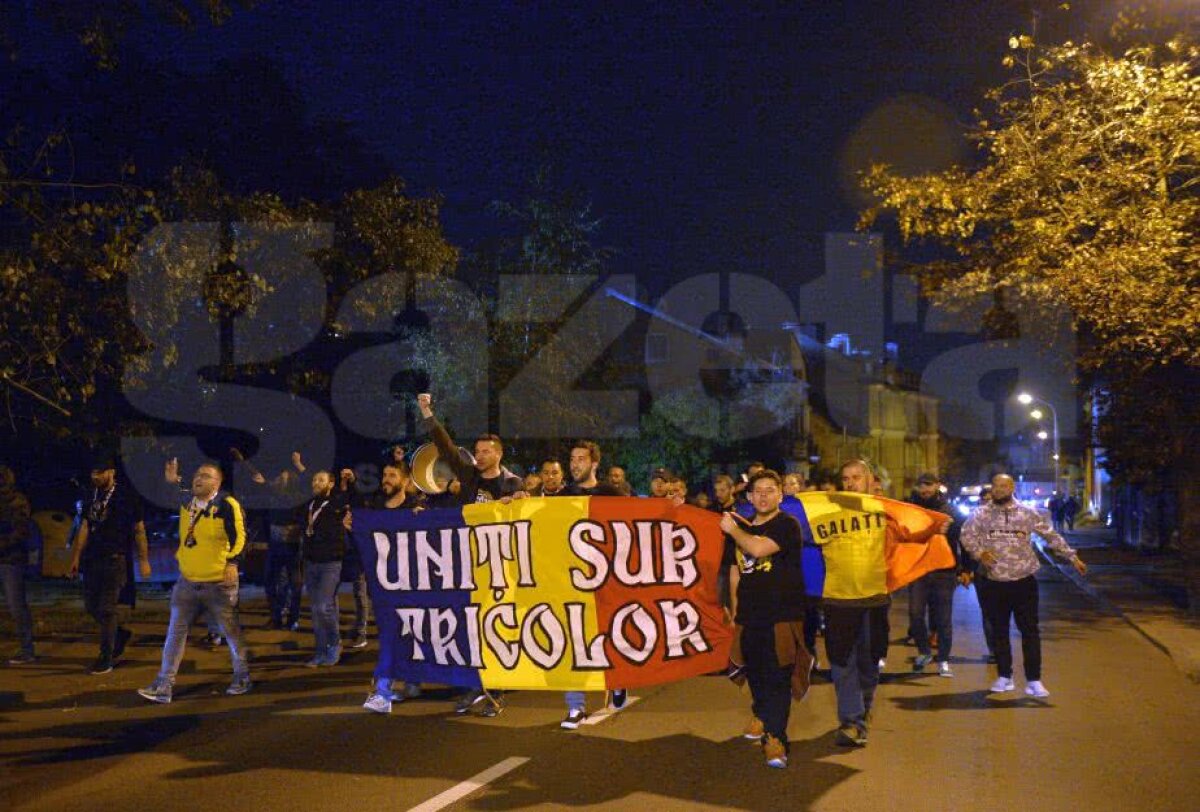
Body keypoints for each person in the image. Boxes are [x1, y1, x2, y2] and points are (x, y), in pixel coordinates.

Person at [818, 459, 944, 747]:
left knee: (869, 660)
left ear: (870, 480)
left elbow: (912, 534)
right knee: (841, 662)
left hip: (874, 600)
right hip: (837, 600)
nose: (850, 483)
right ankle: (851, 720)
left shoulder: (885, 513)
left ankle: (863, 707)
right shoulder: (825, 514)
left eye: (856, 477)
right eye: (846, 478)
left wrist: (936, 527)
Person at [417, 392, 523, 715]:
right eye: (477, 451)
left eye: (486, 451)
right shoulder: (468, 476)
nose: (479, 455)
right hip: (466, 562)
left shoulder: (511, 483)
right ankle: (473, 688)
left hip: (498, 567)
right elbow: (446, 446)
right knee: (469, 628)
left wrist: (519, 501)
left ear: (499, 454)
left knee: (496, 627)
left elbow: (526, 515)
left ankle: (497, 690)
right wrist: (426, 412)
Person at [961, 473, 1087, 698]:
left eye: (1003, 486)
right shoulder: (980, 513)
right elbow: (966, 536)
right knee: (999, 630)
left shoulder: (1027, 513)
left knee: (1029, 631)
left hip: (1024, 580)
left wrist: (1072, 557)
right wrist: (979, 553)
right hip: (994, 580)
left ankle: (1034, 680)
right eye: (995, 486)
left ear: (1012, 487)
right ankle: (1004, 676)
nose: (998, 490)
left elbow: (1050, 535)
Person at [138, 460, 250, 703]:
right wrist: (170, 480)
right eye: (197, 475)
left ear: (218, 483)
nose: (199, 479)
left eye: (207, 476)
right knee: (175, 633)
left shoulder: (227, 504)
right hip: (187, 582)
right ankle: (163, 685)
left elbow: (240, 537)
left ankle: (241, 676)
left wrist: (233, 563)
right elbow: (166, 495)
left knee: (231, 632)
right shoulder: (187, 501)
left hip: (219, 583)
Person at [720, 469, 808, 769]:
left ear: (781, 495)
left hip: (781, 617)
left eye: (771, 490)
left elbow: (757, 548)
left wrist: (732, 530)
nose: (764, 495)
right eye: (758, 491)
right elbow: (735, 570)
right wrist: (734, 610)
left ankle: (775, 738)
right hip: (749, 617)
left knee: (778, 678)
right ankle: (760, 713)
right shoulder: (741, 526)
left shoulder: (786, 525)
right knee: (756, 674)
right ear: (748, 496)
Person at [561, 440, 627, 728]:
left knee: (610, 634)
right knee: (572, 640)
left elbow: (637, 524)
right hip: (570, 580)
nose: (574, 463)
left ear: (594, 463)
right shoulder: (560, 496)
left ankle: (618, 676)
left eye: (580, 459)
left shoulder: (610, 494)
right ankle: (575, 707)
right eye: (572, 459)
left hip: (606, 579)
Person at [67, 453, 151, 674]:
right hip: (92, 559)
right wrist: (75, 557)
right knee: (91, 606)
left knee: (106, 609)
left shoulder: (127, 496)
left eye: (100, 473)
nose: (95, 476)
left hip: (116, 559)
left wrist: (144, 560)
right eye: (93, 473)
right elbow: (84, 526)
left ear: (111, 472)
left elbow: (139, 530)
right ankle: (119, 634)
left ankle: (106, 658)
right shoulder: (90, 495)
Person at [355, 460, 426, 713]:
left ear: (406, 481)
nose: (386, 479)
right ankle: (397, 685)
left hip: (412, 585)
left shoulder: (415, 508)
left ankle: (388, 689)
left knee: (408, 634)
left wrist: (424, 519)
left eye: (392, 475)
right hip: (383, 586)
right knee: (391, 635)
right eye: (384, 475)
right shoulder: (373, 509)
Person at [904, 473, 961, 677]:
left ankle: (943, 659)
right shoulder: (910, 509)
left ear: (937, 486)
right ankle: (924, 651)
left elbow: (960, 541)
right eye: (921, 485)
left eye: (928, 485)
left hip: (943, 572)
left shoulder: (950, 510)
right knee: (915, 614)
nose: (925, 489)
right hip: (918, 570)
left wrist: (962, 569)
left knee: (943, 618)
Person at [300, 470, 350, 667]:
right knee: (315, 609)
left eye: (320, 479)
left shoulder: (336, 504)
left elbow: (348, 499)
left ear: (331, 483)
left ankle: (335, 643)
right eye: (314, 479)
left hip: (331, 562)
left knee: (324, 606)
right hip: (311, 562)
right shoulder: (309, 505)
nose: (316, 482)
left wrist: (347, 482)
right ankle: (320, 651)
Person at [0, 465, 35, 665]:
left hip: (11, 560)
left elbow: (21, 532)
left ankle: (27, 650)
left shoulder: (17, 501)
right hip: (8, 558)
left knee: (16, 606)